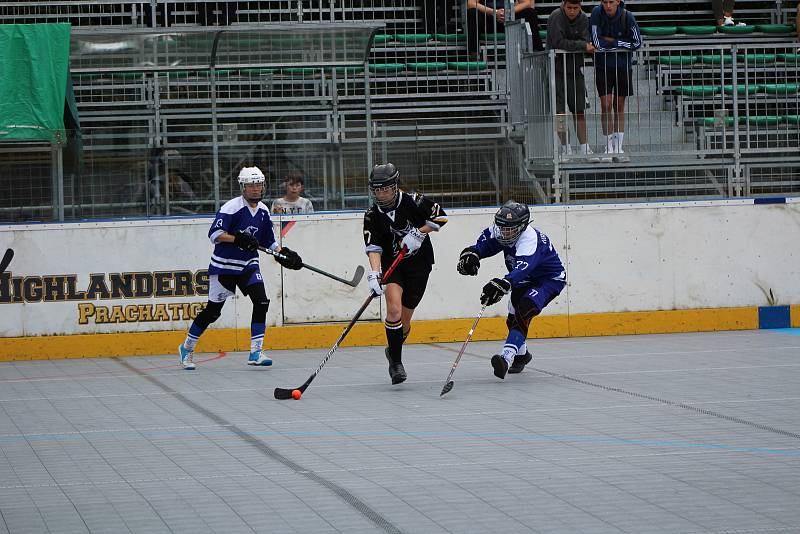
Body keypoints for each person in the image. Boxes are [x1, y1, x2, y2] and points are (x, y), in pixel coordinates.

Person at [177, 166, 303, 370]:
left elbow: (269, 242)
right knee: (212, 312)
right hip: (224, 267)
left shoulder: (263, 211)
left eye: (259, 185)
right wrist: (237, 239)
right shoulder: (231, 208)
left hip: (248, 266)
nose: (256, 189)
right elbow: (214, 234)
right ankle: (187, 347)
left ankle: (255, 352)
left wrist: (285, 254)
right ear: (243, 187)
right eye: (251, 185)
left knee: (261, 301)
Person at [457, 201, 566, 379]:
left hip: (548, 280)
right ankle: (522, 356)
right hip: (523, 280)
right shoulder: (501, 229)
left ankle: (506, 358)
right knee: (513, 319)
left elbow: (524, 267)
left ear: (522, 227)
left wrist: (503, 284)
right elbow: (485, 244)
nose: (503, 232)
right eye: (501, 227)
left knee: (524, 309)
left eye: (509, 229)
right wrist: (472, 254)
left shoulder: (530, 240)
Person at [363, 163, 448, 384]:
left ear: (395, 186)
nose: (381, 194)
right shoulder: (372, 214)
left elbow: (441, 217)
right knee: (393, 310)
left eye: (385, 189)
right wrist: (374, 274)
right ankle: (396, 365)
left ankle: (393, 350)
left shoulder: (414, 200)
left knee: (405, 322)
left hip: (420, 266)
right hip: (394, 267)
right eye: (377, 190)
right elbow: (373, 247)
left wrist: (419, 233)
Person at [590, 0, 641, 162]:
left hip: (623, 66)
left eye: (611, 2)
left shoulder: (628, 16)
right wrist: (618, 44)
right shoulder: (596, 13)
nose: (608, 6)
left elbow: (637, 42)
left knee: (619, 105)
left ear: (618, 2)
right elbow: (596, 41)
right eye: (605, 2)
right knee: (605, 104)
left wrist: (613, 41)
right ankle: (608, 145)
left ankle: (618, 146)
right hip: (602, 66)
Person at [547, 0, 596, 159]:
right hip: (556, 69)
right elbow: (558, 42)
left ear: (580, 7)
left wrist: (581, 45)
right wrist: (581, 46)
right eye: (569, 8)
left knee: (579, 109)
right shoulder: (556, 17)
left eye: (576, 8)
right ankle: (565, 147)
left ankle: (585, 147)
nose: (572, 11)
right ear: (563, 5)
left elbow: (586, 40)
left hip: (575, 69)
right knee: (560, 112)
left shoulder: (583, 18)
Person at [466, 0, 543, 59]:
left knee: (530, 12)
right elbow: (471, 4)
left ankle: (538, 53)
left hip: (510, 18)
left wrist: (509, 12)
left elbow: (527, 3)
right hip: (488, 17)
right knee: (472, 12)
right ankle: (474, 55)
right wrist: (494, 12)